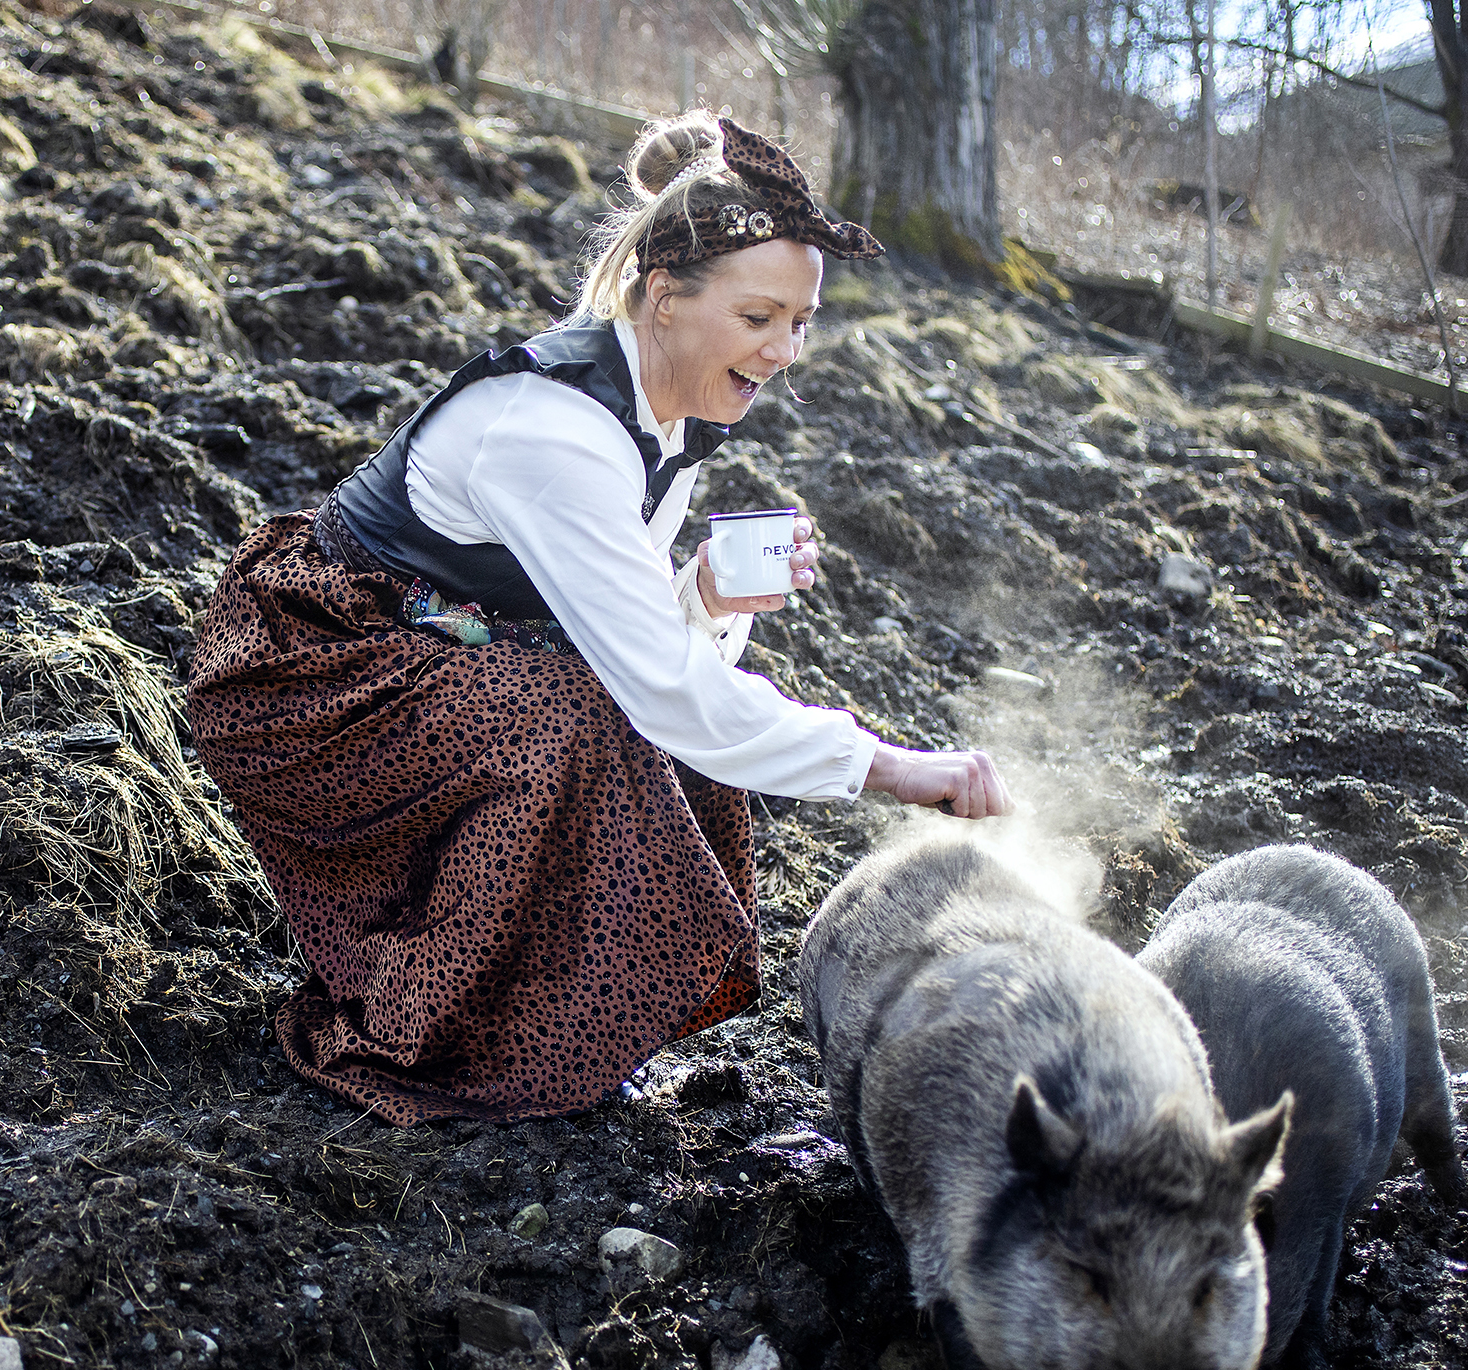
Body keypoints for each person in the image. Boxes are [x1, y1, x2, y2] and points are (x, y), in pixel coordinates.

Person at [189, 111, 1012, 1126]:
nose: (785, 350)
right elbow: (662, 686)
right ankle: (429, 1030)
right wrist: (888, 767)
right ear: (664, 299)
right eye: (759, 318)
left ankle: (540, 1020)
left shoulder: (662, 412)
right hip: (312, 677)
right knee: (582, 721)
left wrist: (706, 594)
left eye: (799, 322)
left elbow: (629, 637)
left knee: (612, 715)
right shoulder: (555, 432)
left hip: (441, 653)